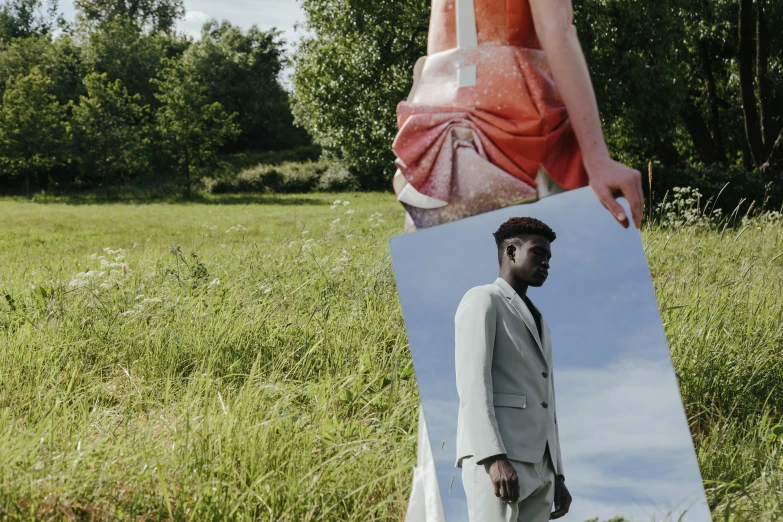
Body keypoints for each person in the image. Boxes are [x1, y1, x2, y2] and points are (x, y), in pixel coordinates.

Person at [393, 0, 643, 232]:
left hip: (438, 133)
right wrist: (597, 158)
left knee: (452, 271)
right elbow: (556, 30)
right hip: (518, 128)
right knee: (555, 268)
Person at [455, 216, 571, 521]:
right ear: (510, 252)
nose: (546, 263)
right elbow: (472, 383)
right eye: (538, 253)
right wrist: (493, 458)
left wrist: (557, 474)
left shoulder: (540, 320)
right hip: (498, 458)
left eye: (549, 257)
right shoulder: (483, 299)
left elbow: (548, 401)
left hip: (540, 468)